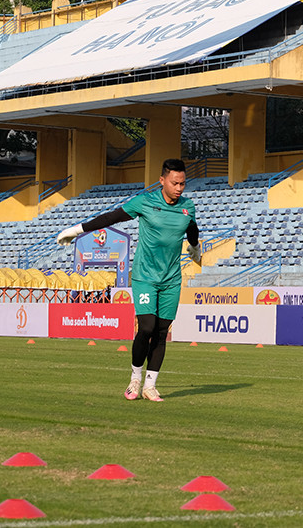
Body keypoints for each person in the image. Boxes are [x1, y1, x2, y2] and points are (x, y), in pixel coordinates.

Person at [56, 159, 201, 402]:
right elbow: (111, 218)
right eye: (175, 183)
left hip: (171, 280)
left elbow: (192, 228)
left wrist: (195, 247)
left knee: (162, 331)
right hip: (145, 276)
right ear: (162, 181)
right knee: (146, 327)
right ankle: (135, 379)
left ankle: (150, 386)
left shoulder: (188, 206)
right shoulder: (145, 202)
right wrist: (77, 230)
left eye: (183, 184)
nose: (179, 188)